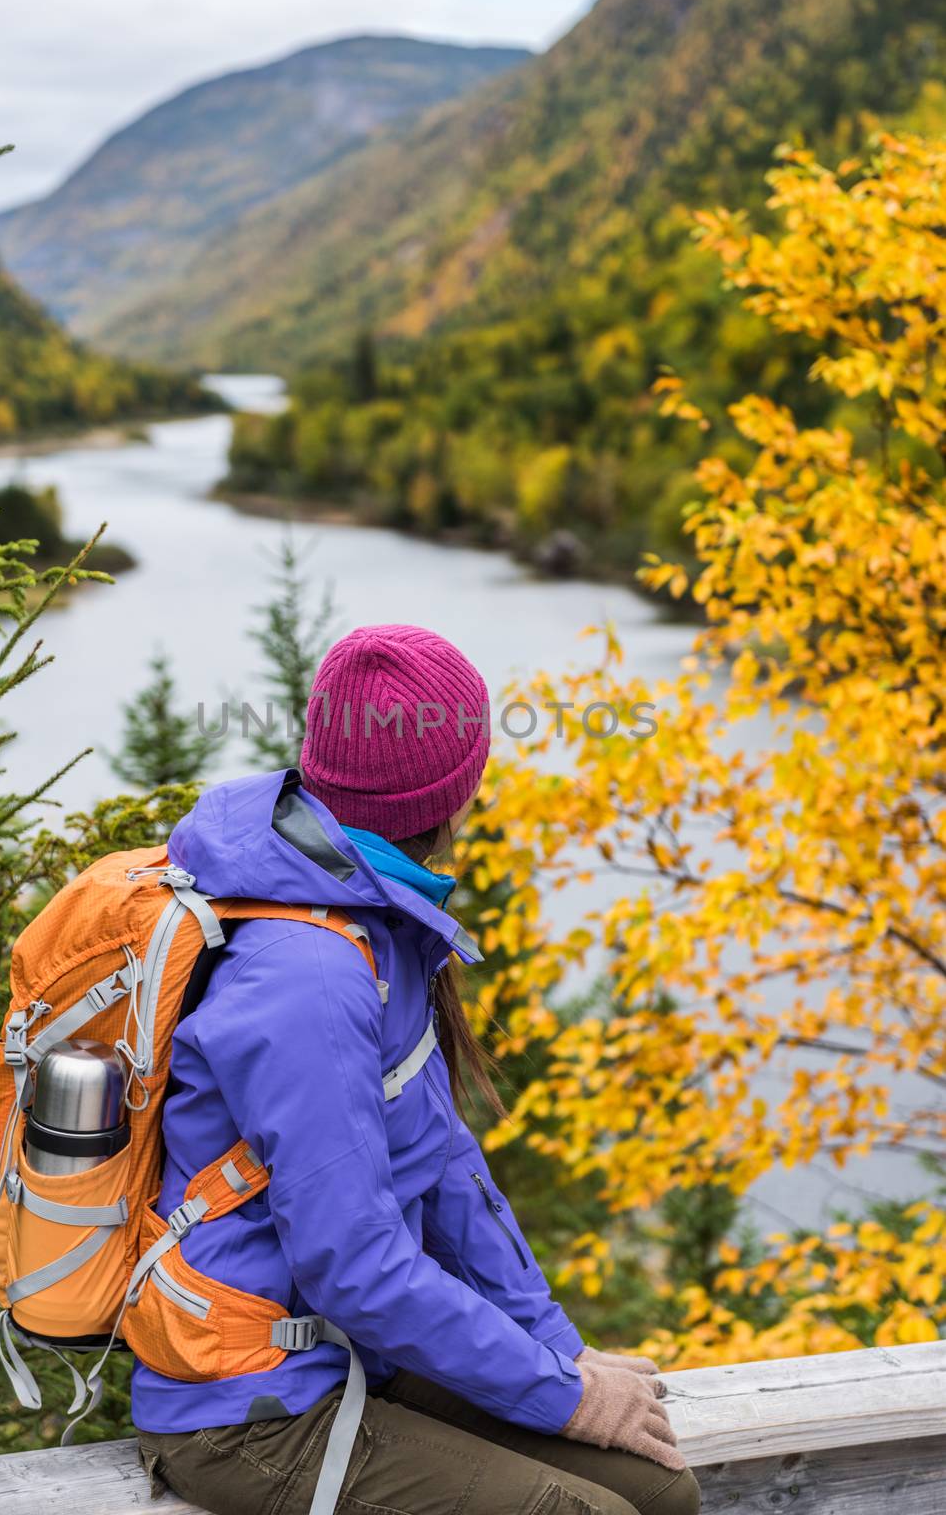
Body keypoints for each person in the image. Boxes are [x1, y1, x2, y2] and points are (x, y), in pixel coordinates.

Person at [135, 624, 700, 1515]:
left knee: (663, 1493)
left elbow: (443, 1165)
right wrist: (566, 1401)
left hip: (354, 1354)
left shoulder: (370, 913)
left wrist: (559, 1351)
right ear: (453, 791)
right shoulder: (308, 976)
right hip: (249, 1404)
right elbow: (353, 1264)